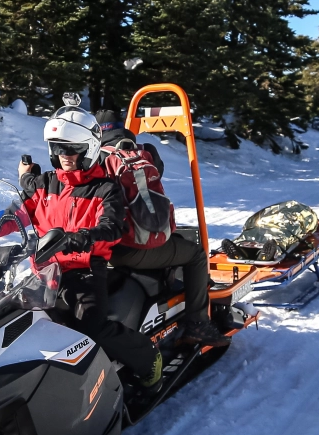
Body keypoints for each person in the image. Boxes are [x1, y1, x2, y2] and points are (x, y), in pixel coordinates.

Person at [20, 106, 164, 387]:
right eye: (59, 147)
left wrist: (82, 237)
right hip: (43, 270)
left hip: (84, 269)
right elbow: (17, 214)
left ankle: (148, 357)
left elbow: (112, 226)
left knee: (91, 326)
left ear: (89, 149)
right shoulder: (45, 184)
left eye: (72, 148)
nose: (65, 155)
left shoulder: (104, 188)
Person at [89, 110, 224, 350]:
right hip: (131, 248)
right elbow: (157, 174)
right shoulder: (144, 152)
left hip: (100, 247)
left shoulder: (92, 158)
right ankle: (198, 322)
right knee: (195, 255)